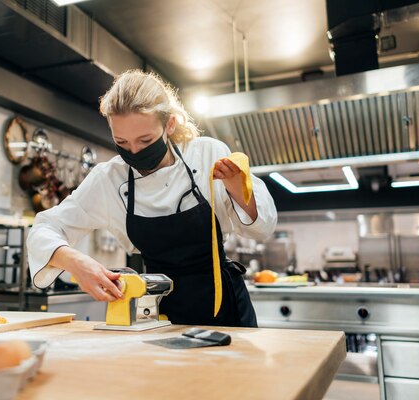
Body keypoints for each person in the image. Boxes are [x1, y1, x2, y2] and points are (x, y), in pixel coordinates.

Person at [26, 70, 277, 327]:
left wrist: (237, 189)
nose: (134, 152)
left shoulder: (207, 153)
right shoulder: (109, 179)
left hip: (224, 305)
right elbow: (45, 227)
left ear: (169, 124)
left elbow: (262, 230)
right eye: (121, 142)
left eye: (145, 140)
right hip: (157, 310)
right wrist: (76, 263)